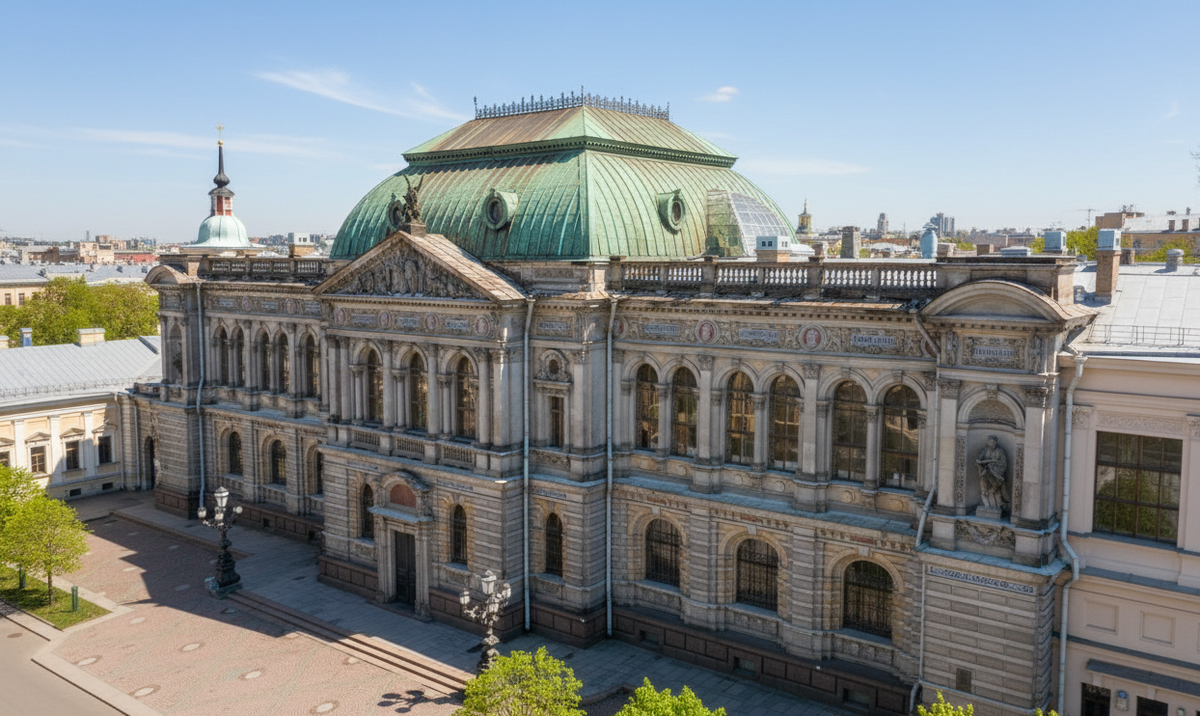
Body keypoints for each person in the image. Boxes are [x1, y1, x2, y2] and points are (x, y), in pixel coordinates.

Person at [976, 435, 1008, 511]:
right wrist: (989, 462)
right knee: (984, 490)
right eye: (990, 442)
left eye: (993, 442)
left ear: (996, 442)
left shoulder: (1000, 451)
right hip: (985, 473)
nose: (991, 443)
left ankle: (996, 506)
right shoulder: (985, 451)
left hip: (996, 474)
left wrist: (994, 467)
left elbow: (1004, 463)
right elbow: (978, 460)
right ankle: (987, 505)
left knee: (995, 490)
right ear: (988, 442)